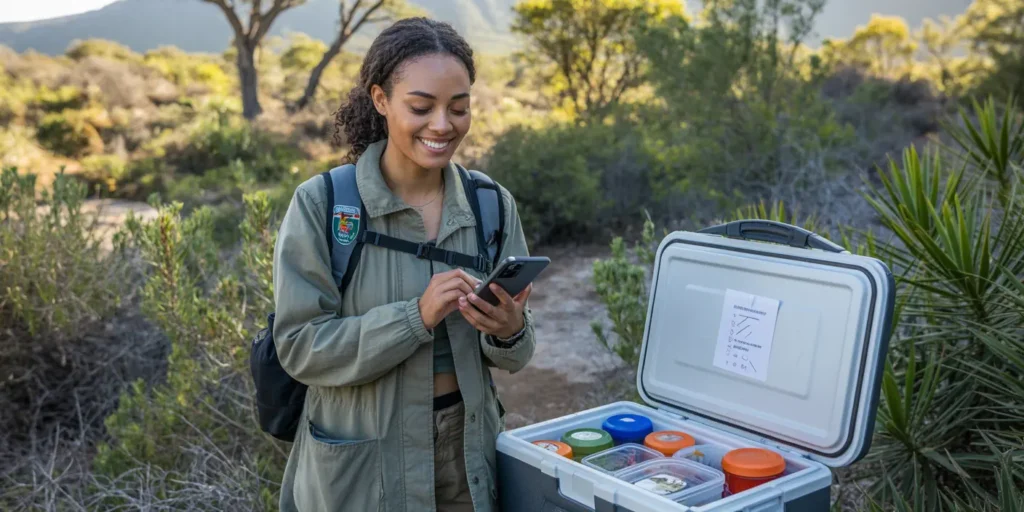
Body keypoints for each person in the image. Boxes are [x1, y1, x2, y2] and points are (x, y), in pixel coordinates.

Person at [270, 16, 536, 512]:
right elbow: (299, 347)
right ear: (380, 100)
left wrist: (509, 329)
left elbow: (517, 356)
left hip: (466, 453)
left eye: (459, 108)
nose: (442, 125)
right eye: (421, 106)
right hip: (362, 462)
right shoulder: (323, 205)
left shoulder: (491, 205)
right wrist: (415, 317)